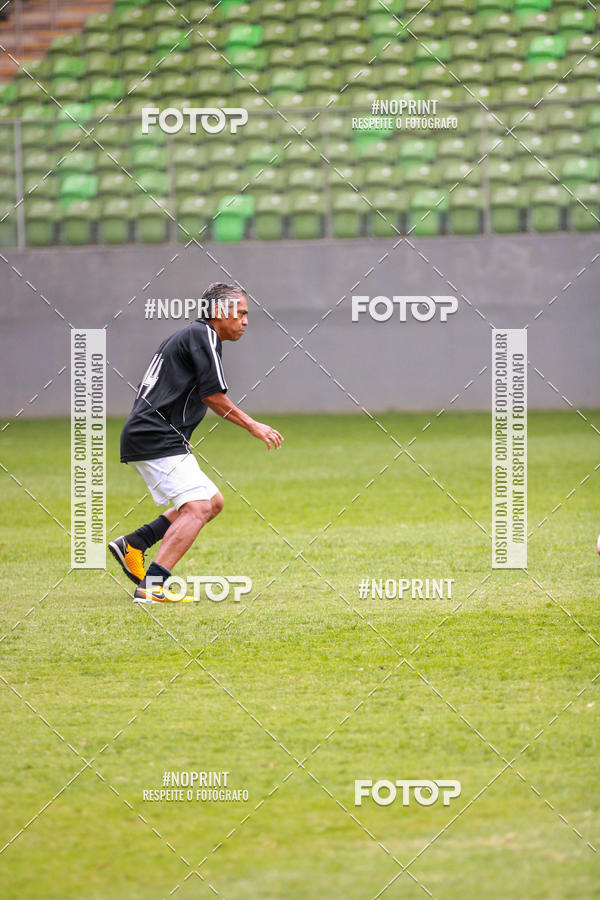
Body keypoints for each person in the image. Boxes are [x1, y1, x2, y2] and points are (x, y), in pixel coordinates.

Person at [109, 282, 283, 602]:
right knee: (198, 507)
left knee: (212, 501)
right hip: (154, 435)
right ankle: (152, 586)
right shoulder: (203, 334)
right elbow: (212, 396)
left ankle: (134, 543)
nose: (245, 321)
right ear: (219, 312)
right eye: (241, 313)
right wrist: (253, 426)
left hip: (157, 434)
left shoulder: (195, 335)